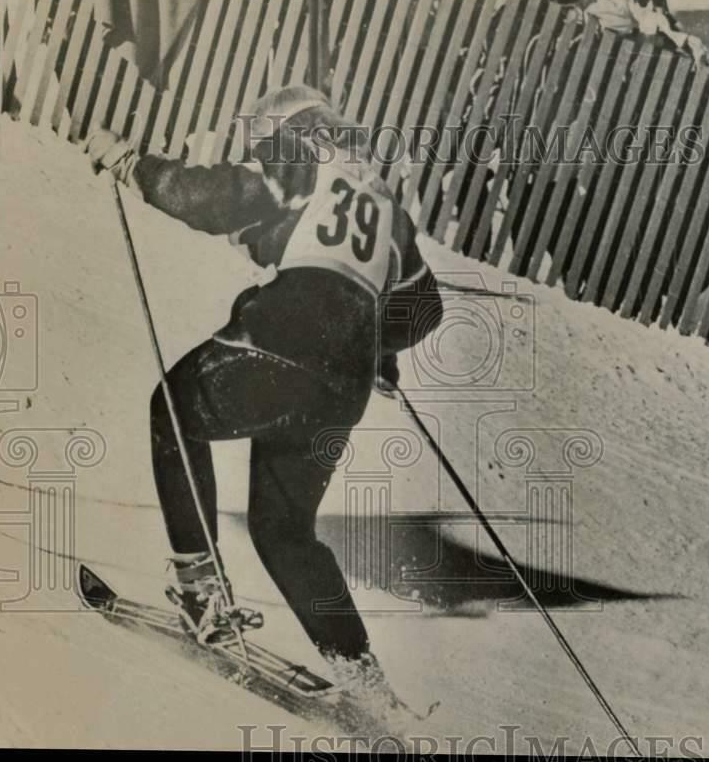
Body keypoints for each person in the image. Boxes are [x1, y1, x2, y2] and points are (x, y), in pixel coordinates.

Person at [83, 85, 444, 695]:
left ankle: (200, 595)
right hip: (343, 382)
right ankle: (362, 678)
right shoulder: (386, 204)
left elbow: (223, 198)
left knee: (173, 408)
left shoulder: (299, 155)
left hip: (281, 339)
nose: (258, 150)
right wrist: (375, 347)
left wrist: (132, 165)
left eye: (259, 141)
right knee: (284, 529)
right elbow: (425, 307)